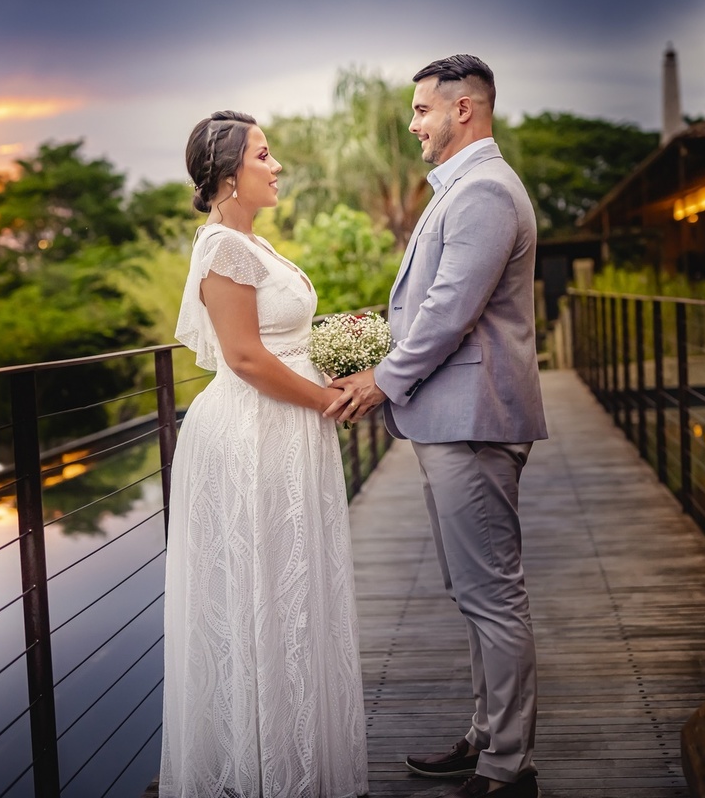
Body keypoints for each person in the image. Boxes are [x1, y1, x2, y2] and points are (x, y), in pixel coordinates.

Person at [327, 54, 547, 798]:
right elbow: (432, 305)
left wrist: (379, 378)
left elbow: (449, 311)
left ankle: (507, 767)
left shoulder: (484, 191)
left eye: (422, 109)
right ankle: (487, 736)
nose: (412, 122)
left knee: (493, 594)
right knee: (474, 589)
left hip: (472, 420)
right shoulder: (464, 187)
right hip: (452, 419)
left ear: (464, 110)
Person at [159, 110, 369, 798]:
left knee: (293, 588)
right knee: (262, 589)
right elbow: (246, 357)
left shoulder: (256, 245)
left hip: (286, 431)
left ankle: (296, 750)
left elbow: (283, 338)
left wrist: (346, 349)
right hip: (253, 434)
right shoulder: (222, 247)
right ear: (227, 175)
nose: (275, 166)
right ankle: (259, 768)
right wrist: (326, 401)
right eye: (263, 155)